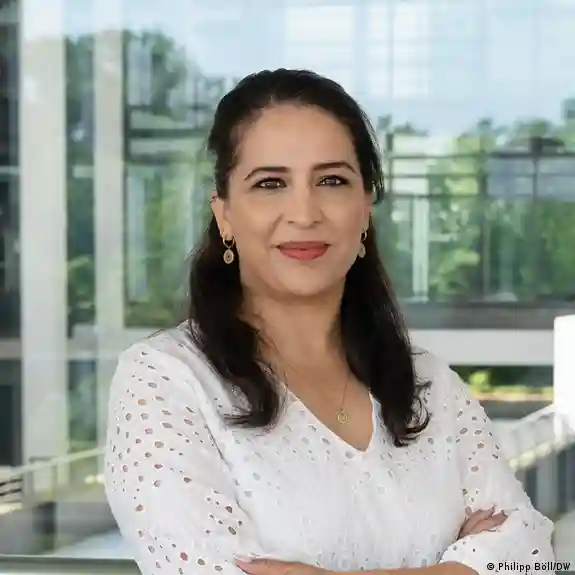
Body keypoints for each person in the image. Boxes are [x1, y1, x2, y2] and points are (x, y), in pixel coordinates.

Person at [104, 69, 555, 575]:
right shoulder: (164, 380)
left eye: (332, 180)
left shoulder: (429, 385)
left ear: (365, 210)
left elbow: (531, 554)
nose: (304, 213)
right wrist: (461, 568)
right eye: (270, 183)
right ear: (224, 214)